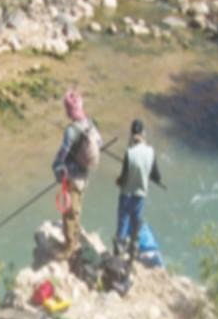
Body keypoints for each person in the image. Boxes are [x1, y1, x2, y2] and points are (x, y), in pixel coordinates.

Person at [52, 90, 103, 259]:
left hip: (72, 177)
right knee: (77, 208)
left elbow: (62, 154)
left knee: (68, 212)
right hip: (85, 175)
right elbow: (99, 143)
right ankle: (74, 238)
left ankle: (69, 247)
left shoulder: (71, 130)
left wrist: (57, 169)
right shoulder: (90, 124)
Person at [114, 119, 162, 263]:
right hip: (139, 196)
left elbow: (123, 178)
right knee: (135, 225)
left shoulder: (129, 153)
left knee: (122, 225)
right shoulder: (151, 152)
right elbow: (157, 176)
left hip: (126, 195)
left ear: (132, 134)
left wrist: (118, 181)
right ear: (143, 133)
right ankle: (133, 255)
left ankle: (117, 255)